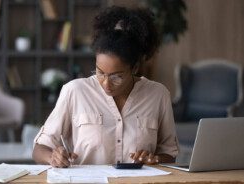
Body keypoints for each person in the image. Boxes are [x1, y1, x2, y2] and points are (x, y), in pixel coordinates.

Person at [32, 6, 179, 168]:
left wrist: (154, 159)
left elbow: (170, 154)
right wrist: (53, 157)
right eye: (100, 72)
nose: (106, 84)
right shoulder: (75, 91)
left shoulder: (158, 95)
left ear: (135, 68)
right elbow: (39, 149)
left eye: (116, 76)